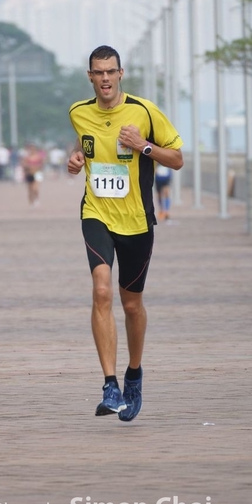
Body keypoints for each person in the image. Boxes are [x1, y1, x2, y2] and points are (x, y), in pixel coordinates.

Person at [67, 45, 183, 421]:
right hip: (96, 213)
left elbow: (177, 159)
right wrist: (76, 159)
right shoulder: (78, 112)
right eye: (98, 72)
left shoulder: (144, 111)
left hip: (136, 221)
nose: (104, 78)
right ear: (90, 76)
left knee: (131, 305)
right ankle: (110, 384)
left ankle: (134, 374)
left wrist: (143, 146)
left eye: (110, 71)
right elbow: (85, 142)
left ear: (120, 73)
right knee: (101, 291)